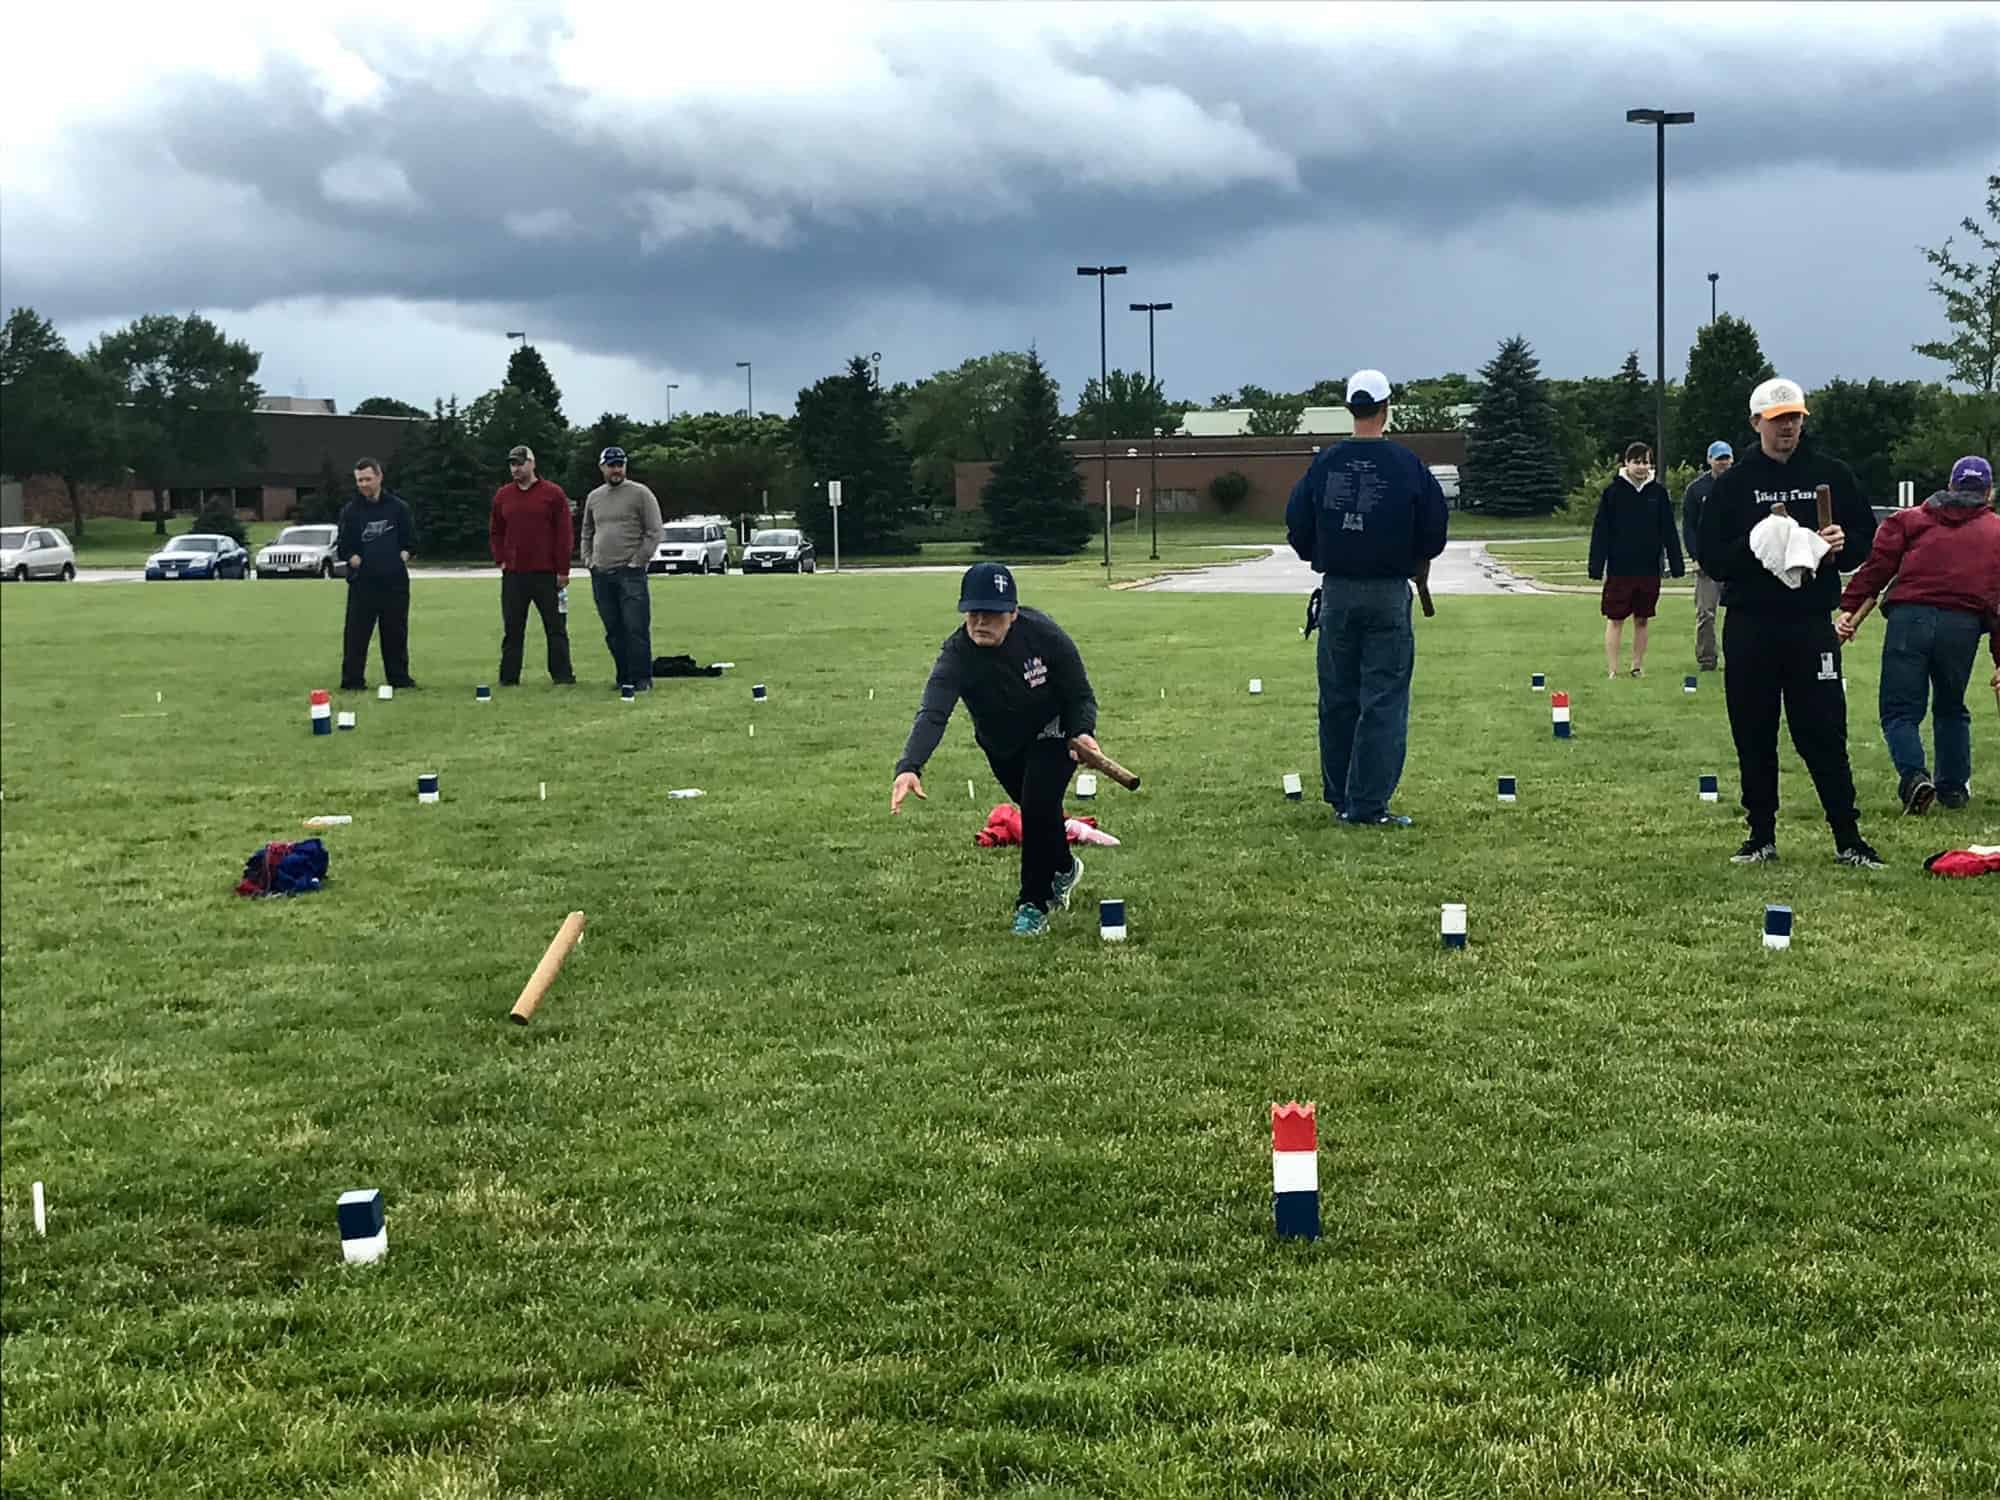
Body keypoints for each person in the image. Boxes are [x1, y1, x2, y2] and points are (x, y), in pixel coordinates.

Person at [1697, 376, 1881, 867]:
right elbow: (1712, 557)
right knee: (1754, 731)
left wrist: (1844, 544)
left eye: (1796, 418)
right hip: (1752, 623)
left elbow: (1865, 538)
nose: (1789, 428)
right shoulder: (1733, 484)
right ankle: (1761, 837)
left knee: (1823, 732)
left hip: (1809, 624)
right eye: (1779, 420)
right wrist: (1759, 548)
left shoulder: (1831, 473)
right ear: (1756, 422)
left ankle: (1848, 839)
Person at [890, 563, 1101, 938]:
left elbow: (1079, 694)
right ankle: (1065, 867)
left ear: (1013, 614)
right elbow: (933, 712)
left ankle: (1032, 904)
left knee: (1037, 805)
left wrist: (1083, 732)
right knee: (1040, 815)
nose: (981, 623)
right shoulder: (956, 655)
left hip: (1053, 733)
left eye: (992, 614)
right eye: (974, 613)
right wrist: (910, 766)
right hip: (1001, 746)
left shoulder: (1044, 635)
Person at [1283, 368, 1449, 826]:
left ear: (1349, 409)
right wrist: (1414, 553)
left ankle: (1339, 795)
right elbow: (1435, 528)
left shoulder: (1326, 462)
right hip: (1388, 592)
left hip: (1336, 589)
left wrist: (1321, 552)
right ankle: (1368, 804)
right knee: (1383, 698)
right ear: (1386, 408)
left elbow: (1296, 521)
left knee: (1337, 697)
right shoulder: (1407, 464)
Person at [1836, 455, 2000, 814]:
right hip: (1963, 624)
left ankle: (1914, 778)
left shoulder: (1911, 519)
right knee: (1951, 707)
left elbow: (1876, 569)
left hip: (1909, 618)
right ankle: (1953, 788)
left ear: (1950, 485)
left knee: (1899, 710)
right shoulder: (1996, 532)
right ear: (1988, 492)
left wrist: (1848, 609)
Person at [1589, 442, 1684, 678]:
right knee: (1615, 618)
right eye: (1637, 462)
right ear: (1626, 463)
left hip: (1649, 567)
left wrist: (1676, 562)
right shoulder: (1613, 492)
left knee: (1642, 619)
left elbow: (1669, 530)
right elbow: (1601, 530)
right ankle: (1612, 669)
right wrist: (1596, 565)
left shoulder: (1658, 493)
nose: (1642, 467)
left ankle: (1637, 666)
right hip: (1620, 568)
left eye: (1646, 462)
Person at [489, 444, 576, 687]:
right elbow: (496, 530)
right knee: (513, 629)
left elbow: (564, 534)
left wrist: (563, 570)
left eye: (520, 463)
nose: (515, 468)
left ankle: (562, 676)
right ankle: (509, 678)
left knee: (555, 627)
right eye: (512, 464)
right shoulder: (503, 495)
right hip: (514, 574)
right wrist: (501, 559)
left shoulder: (553, 494)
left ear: (532, 463)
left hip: (546, 573)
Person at [579, 446, 663, 692]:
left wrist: (638, 560)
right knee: (613, 630)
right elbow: (587, 531)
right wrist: (588, 559)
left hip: (630, 574)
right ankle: (623, 676)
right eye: (612, 465)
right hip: (601, 574)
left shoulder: (640, 494)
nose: (616, 469)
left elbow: (654, 531)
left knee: (635, 627)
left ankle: (642, 678)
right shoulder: (594, 497)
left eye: (620, 464)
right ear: (602, 467)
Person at [336, 457, 419, 692]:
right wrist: (355, 560)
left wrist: (399, 558)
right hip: (363, 583)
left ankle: (399, 678)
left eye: (368, 479)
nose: (363, 484)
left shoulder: (398, 508)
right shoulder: (351, 512)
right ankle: (352, 680)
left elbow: (411, 541)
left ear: (379, 477)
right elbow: (343, 546)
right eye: (359, 480)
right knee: (356, 634)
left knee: (395, 632)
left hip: (394, 582)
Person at [1681, 440, 1734, 671]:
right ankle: (1707, 659)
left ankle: (1740, 657)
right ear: (1709, 460)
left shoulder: (1740, 484)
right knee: (1705, 613)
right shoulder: (1696, 490)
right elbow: (1689, 527)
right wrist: (1696, 556)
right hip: (1707, 561)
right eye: (1719, 458)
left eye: (1727, 458)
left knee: (1741, 613)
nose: (1723, 463)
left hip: (1736, 559)